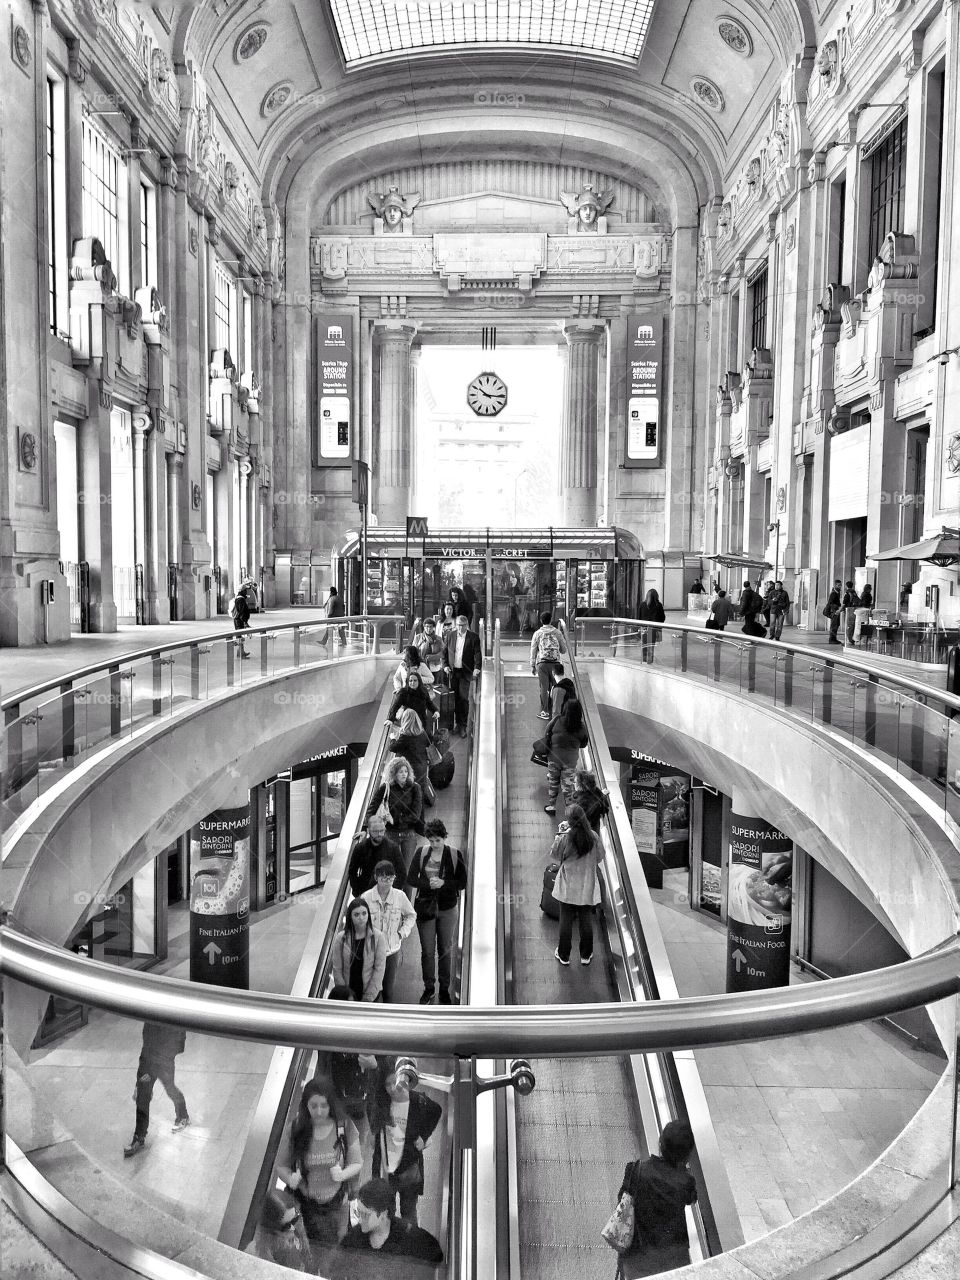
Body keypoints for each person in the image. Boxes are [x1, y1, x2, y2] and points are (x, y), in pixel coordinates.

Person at [278, 1079, 363, 1246]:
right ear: (306, 1105)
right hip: (305, 1205)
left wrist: (342, 1175)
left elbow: (357, 1162)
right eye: (313, 1106)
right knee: (307, 1246)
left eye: (324, 1105)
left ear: (331, 1104)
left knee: (333, 1247)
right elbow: (281, 1166)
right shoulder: (296, 1129)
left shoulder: (344, 1127)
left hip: (336, 1205)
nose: (319, 1111)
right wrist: (290, 1179)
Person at [616, 1120, 697, 1279]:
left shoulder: (636, 1170)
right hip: (673, 1264)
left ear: (660, 1144)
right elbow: (691, 1199)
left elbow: (622, 1200)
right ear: (687, 1154)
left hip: (637, 1260)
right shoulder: (685, 1182)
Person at [369, 1061, 443, 1224]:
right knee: (388, 1212)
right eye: (387, 1084)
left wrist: (424, 1136)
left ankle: (411, 1245)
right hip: (388, 1171)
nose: (392, 1088)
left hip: (409, 1168)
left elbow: (436, 1110)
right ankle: (393, 1243)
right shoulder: (382, 1105)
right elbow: (378, 1143)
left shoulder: (417, 1101)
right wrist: (375, 1176)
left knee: (409, 1212)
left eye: (394, 1082)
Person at [406, 818, 468, 1005]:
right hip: (426, 907)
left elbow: (462, 883)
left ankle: (444, 990)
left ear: (444, 838)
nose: (434, 844)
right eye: (431, 840)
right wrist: (428, 885)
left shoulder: (455, 855)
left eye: (437, 841)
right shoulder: (422, 853)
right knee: (427, 951)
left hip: (448, 908)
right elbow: (411, 878)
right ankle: (429, 988)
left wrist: (443, 884)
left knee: (445, 950)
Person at [336, 1177, 444, 1268]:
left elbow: (436, 1255)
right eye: (357, 1212)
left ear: (383, 1214)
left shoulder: (408, 1236)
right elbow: (336, 1266)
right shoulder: (354, 1237)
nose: (359, 1219)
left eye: (365, 1214)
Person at [315, 986, 378, 1134]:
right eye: (346, 1004)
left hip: (360, 1102)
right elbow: (323, 1068)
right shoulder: (326, 1035)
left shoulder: (363, 1030)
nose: (351, 1009)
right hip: (337, 1101)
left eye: (353, 1003)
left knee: (359, 1144)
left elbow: (381, 1066)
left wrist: (374, 1065)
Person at [124, 1021, 190, 1157]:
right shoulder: (152, 1011)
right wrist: (139, 1082)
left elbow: (179, 1038)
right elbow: (146, 1036)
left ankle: (183, 1115)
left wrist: (168, 1055)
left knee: (170, 1088)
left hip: (163, 1059)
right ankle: (139, 1136)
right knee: (143, 1096)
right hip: (148, 1057)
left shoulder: (171, 1013)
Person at [551, 804, 602, 966]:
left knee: (565, 920)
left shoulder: (566, 837)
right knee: (585, 919)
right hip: (587, 885)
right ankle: (585, 955)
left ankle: (564, 955)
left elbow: (555, 855)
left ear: (570, 821)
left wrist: (560, 834)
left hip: (567, 885)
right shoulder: (593, 836)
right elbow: (600, 857)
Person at [362, 861, 417, 1003]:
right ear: (376, 878)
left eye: (390, 878)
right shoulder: (366, 898)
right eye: (383, 878)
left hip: (392, 952)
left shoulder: (400, 896)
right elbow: (358, 921)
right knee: (371, 990)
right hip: (371, 953)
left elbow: (411, 915)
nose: (387, 882)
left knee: (388, 990)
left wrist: (402, 933)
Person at [367, 756, 426, 876]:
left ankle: (406, 895)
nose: (404, 774)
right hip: (390, 834)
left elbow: (415, 814)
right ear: (394, 774)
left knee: (407, 871)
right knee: (389, 869)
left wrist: (395, 820)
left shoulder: (415, 788)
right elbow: (372, 809)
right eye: (400, 772)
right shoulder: (386, 787)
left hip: (408, 834)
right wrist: (365, 828)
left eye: (406, 771)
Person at [331, 897, 387, 1002]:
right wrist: (344, 993)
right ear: (350, 917)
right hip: (348, 991)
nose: (361, 917)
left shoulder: (378, 937)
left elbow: (379, 969)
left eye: (364, 913)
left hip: (370, 991)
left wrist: (369, 996)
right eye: (356, 914)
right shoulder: (341, 937)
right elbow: (337, 968)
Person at [543, 697, 588, 816]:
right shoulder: (581, 727)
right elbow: (584, 744)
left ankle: (551, 806)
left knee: (553, 781)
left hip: (554, 758)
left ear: (565, 709)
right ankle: (570, 812)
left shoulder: (557, 720)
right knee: (567, 786)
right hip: (570, 761)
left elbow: (547, 731)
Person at [443, 612, 482, 738]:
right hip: (453, 672)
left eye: (463, 625)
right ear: (456, 625)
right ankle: (456, 724)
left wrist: (477, 668)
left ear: (467, 625)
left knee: (464, 699)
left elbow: (477, 654)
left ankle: (463, 726)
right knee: (454, 699)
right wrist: (445, 666)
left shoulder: (473, 637)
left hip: (465, 673)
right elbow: (444, 653)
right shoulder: (450, 635)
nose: (460, 628)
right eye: (458, 625)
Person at [252, 1189, 312, 1270]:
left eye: (295, 1220)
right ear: (271, 1233)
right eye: (287, 1226)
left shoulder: (299, 1232)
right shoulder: (257, 1258)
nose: (293, 1229)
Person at [348, 816, 404, 897]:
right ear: (368, 831)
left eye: (382, 831)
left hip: (387, 892)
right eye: (375, 831)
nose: (379, 834)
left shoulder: (392, 847)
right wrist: (357, 892)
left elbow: (402, 872)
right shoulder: (361, 848)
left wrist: (393, 892)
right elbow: (352, 871)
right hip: (366, 891)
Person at [391, 707, 436, 806]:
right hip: (423, 766)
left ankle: (414, 811)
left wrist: (393, 738)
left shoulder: (405, 736)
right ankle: (421, 809)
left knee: (411, 792)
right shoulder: (422, 732)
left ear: (405, 720)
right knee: (420, 789)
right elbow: (428, 745)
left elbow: (393, 748)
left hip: (411, 770)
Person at [530, 609, 568, 719]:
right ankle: (556, 711)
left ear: (541, 621)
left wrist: (533, 665)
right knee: (555, 686)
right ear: (551, 620)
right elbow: (563, 650)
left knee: (543, 687)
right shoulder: (557, 632)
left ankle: (544, 712)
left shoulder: (537, 633)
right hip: (555, 663)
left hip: (542, 664)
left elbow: (533, 650)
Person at [386, 670, 440, 736]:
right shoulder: (403, 692)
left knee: (426, 738)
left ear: (419, 681)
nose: (412, 683)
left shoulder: (423, 690)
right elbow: (395, 706)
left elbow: (429, 703)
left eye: (415, 680)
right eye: (410, 681)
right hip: (409, 722)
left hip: (422, 719)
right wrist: (390, 719)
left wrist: (435, 711)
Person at [411, 616, 445, 681]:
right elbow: (413, 651)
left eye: (430, 627)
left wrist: (434, 657)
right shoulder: (418, 638)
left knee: (435, 687)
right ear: (424, 627)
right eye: (426, 626)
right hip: (422, 666)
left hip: (435, 667)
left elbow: (443, 653)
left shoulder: (438, 639)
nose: (428, 629)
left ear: (434, 628)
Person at [638, 588, 666, 663]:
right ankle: (649, 661)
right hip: (653, 629)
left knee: (644, 645)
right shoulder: (659, 605)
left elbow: (639, 617)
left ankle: (644, 660)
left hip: (644, 628)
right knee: (651, 646)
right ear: (656, 596)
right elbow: (662, 618)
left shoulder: (642, 604)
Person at [230, 585, 251, 659]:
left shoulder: (239, 598)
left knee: (240, 636)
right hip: (239, 621)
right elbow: (241, 612)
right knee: (240, 636)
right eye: (245, 590)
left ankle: (241, 652)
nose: (246, 591)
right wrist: (245, 622)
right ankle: (240, 654)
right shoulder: (241, 599)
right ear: (242, 591)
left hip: (238, 620)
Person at [841, 579, 861, 645]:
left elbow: (844, 603)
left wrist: (840, 610)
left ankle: (849, 640)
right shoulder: (854, 593)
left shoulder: (847, 593)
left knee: (848, 625)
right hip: (854, 610)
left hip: (848, 610)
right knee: (853, 625)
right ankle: (852, 639)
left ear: (846, 586)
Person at [825, 578, 843, 643]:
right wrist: (837, 607)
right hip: (834, 611)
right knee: (834, 625)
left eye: (841, 585)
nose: (840, 586)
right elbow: (830, 603)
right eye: (839, 585)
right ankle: (832, 639)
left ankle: (834, 638)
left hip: (836, 611)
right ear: (835, 585)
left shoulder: (837, 593)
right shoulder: (834, 593)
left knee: (836, 624)